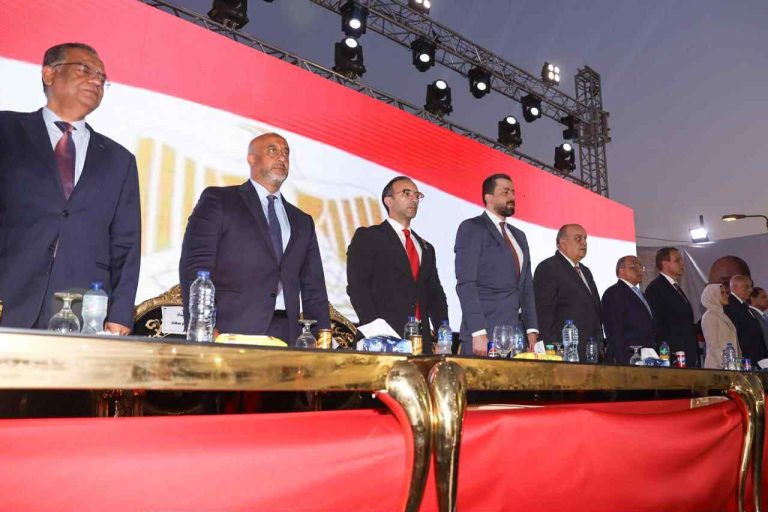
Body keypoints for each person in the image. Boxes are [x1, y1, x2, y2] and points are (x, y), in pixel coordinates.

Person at [0, 43, 141, 418]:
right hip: (7, 299)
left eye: (102, 77)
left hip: (79, 315)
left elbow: (126, 243)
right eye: (84, 70)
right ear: (49, 73)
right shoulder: (6, 130)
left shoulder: (119, 160)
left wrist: (120, 315)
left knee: (60, 427)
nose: (96, 80)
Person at [179, 132, 330, 344]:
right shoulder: (220, 200)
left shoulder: (302, 221)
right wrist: (204, 328)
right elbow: (195, 266)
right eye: (272, 150)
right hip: (230, 331)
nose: (282, 157)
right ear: (251, 158)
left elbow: (314, 286)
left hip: (288, 335)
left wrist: (323, 338)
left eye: (286, 152)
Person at [346, 176, 448, 352]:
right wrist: (378, 334)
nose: (414, 199)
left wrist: (443, 337)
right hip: (380, 341)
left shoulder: (426, 248)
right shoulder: (369, 237)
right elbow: (358, 287)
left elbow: (435, 296)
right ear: (389, 201)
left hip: (420, 344)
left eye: (417, 195)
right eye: (407, 193)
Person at [454, 174, 538, 356]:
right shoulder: (472, 228)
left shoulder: (519, 236)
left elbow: (526, 287)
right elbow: (466, 284)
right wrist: (478, 331)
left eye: (513, 192)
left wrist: (532, 330)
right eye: (505, 192)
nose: (512, 197)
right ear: (488, 198)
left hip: (517, 336)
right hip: (485, 333)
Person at [533, 224, 602, 359]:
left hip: (590, 351)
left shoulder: (585, 271)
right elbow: (544, 315)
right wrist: (552, 351)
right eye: (578, 239)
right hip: (565, 353)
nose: (584, 243)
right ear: (563, 244)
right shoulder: (548, 267)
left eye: (585, 239)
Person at [644, 247, 699, 367]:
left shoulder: (675, 287)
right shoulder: (656, 288)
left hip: (686, 351)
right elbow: (657, 324)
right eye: (677, 260)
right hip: (672, 353)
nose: (682, 264)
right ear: (665, 263)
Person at [601, 256, 655, 364]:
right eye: (634, 267)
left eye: (641, 267)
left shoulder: (641, 294)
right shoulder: (614, 293)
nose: (640, 271)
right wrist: (623, 361)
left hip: (647, 356)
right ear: (621, 271)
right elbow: (614, 331)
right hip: (628, 358)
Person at [724, 275, 768, 364]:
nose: (750, 290)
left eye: (751, 286)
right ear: (734, 287)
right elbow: (737, 335)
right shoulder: (731, 306)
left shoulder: (742, 305)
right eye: (747, 287)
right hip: (746, 360)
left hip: (755, 359)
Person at [700, 284, 739, 369]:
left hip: (729, 365)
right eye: (722, 293)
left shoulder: (722, 315)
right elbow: (713, 345)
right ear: (713, 295)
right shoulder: (709, 316)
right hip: (717, 367)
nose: (726, 295)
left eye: (726, 293)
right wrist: (726, 365)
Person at [749, 286, 768, 354]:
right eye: (763, 297)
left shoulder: (763, 316)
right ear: (753, 299)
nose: (767, 299)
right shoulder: (751, 315)